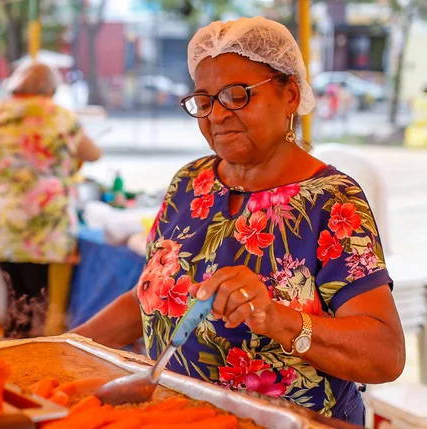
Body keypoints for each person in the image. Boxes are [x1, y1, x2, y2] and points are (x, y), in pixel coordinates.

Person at [73, 17, 404, 426]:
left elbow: (384, 354)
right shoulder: (190, 183)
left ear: (291, 95)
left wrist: (275, 317)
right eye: (205, 100)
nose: (217, 115)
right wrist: (62, 348)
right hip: (180, 415)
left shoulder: (331, 199)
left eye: (237, 95)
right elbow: (149, 297)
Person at [0, 62, 102, 338]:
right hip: (43, 227)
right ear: (51, 89)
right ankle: (39, 362)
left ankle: (11, 356)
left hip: (0, 222)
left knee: (14, 300)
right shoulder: (59, 116)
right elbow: (92, 154)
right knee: (42, 305)